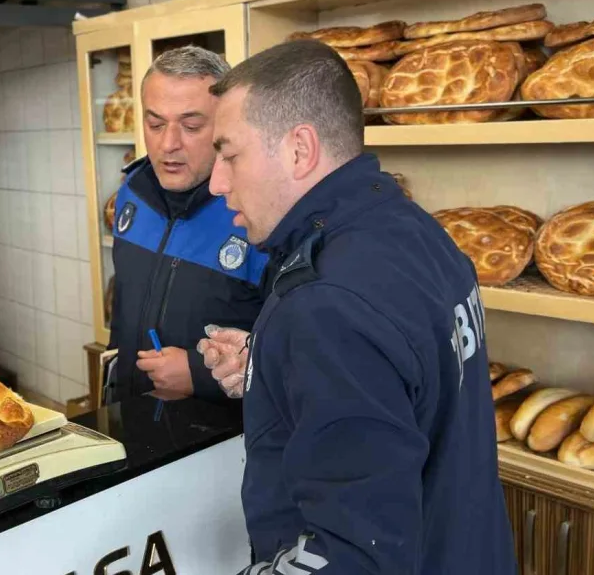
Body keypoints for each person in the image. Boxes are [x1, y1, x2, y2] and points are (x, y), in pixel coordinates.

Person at [207, 39, 516, 575]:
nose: (217, 183)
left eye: (230, 154)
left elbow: (352, 553)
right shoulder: (414, 229)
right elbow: (402, 376)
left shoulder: (324, 302)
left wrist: (308, 339)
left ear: (299, 149)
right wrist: (275, 362)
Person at [106, 45, 268, 404]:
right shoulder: (132, 194)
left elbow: (297, 351)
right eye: (155, 124)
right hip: (132, 420)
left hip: (221, 444)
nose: (168, 144)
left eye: (191, 126)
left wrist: (200, 374)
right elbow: (123, 313)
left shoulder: (260, 211)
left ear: (226, 124)